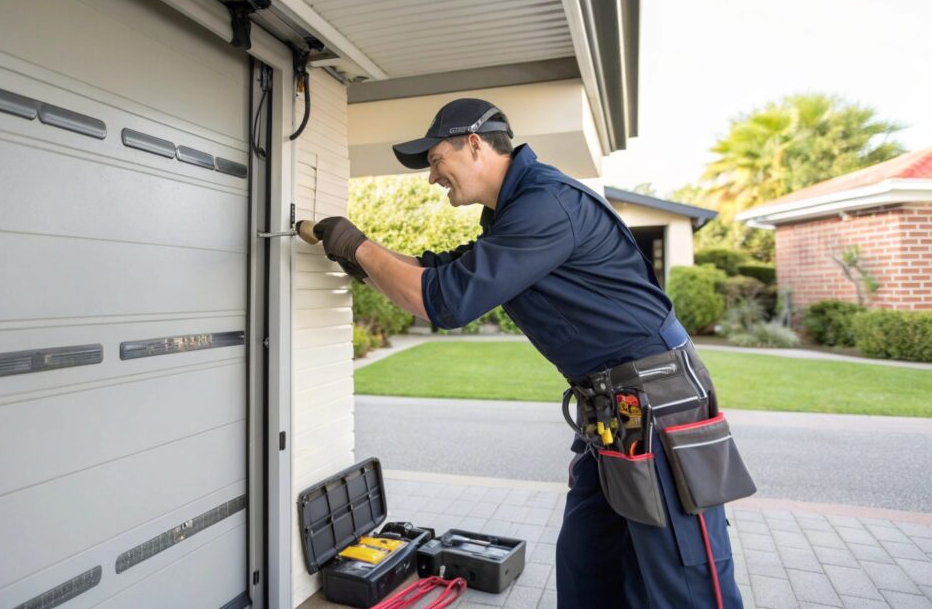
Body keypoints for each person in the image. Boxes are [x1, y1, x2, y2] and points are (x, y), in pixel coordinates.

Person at [313, 98, 747, 608]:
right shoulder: (513, 215)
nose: (432, 177)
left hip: (656, 399)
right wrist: (359, 258)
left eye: (435, 160)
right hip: (610, 409)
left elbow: (444, 300)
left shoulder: (547, 204)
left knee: (683, 576)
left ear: (474, 144)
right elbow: (438, 271)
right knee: (590, 564)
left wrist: (358, 245)